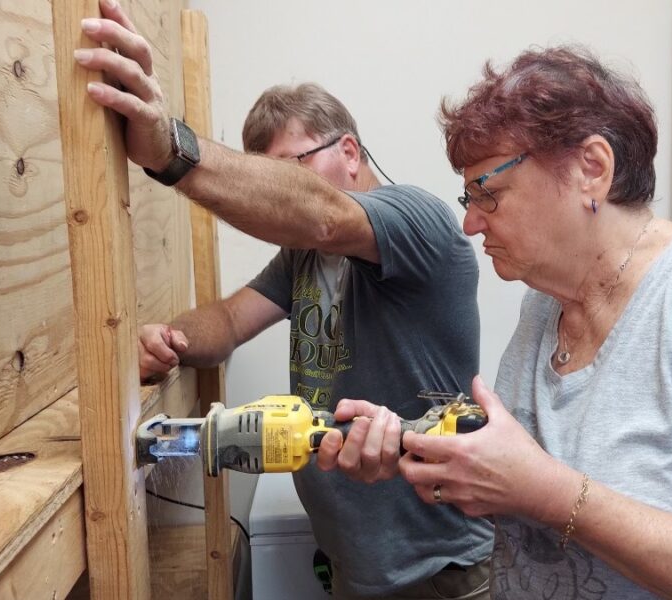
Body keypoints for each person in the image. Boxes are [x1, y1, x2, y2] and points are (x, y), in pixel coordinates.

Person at [76, 1, 493, 597]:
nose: (275, 195)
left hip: (438, 570)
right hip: (354, 563)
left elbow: (320, 215)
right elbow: (227, 319)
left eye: (291, 172)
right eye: (263, 176)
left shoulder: (416, 221)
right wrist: (172, 339)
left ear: (349, 153)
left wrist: (170, 147)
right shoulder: (306, 256)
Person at [396, 46, 672, 599]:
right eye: (467, 196)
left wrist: (549, 493)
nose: (469, 223)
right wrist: (417, 448)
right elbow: (516, 487)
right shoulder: (545, 300)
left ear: (592, 168)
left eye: (487, 194)